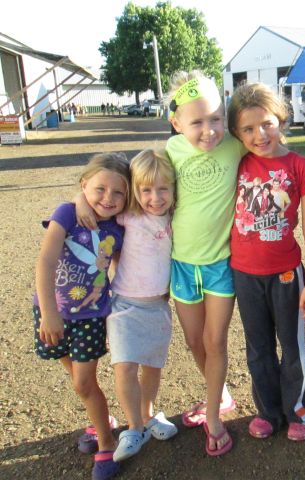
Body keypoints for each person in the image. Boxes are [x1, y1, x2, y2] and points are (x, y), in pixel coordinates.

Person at [227, 82, 305, 442]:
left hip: (286, 273)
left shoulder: (300, 167)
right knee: (258, 347)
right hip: (244, 273)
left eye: (266, 124)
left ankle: (300, 411)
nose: (259, 135)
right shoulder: (238, 163)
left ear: (280, 118)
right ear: (237, 133)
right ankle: (268, 412)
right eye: (248, 129)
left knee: (293, 346)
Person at [34, 152, 129, 480]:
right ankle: (101, 419)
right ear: (84, 184)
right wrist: (48, 313)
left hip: (91, 316)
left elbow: (119, 263)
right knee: (80, 383)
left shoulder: (119, 225)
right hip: (52, 314)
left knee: (83, 381)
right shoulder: (66, 214)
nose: (109, 198)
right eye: (100, 189)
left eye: (119, 193)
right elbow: (45, 262)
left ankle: (105, 442)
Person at [165, 71, 241, 455]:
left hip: (220, 265)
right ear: (177, 123)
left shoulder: (235, 145)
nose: (209, 130)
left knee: (215, 340)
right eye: (197, 122)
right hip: (181, 264)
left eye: (215, 118)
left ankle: (213, 416)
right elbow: (135, 186)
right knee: (195, 341)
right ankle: (220, 392)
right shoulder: (170, 152)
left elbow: (271, 148)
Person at [106, 150, 178, 461]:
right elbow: (98, 209)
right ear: (135, 190)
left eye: (163, 188)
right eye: (146, 190)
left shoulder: (175, 218)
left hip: (158, 306)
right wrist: (81, 203)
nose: (155, 197)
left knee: (152, 367)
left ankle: (148, 416)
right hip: (124, 305)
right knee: (124, 366)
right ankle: (133, 427)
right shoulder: (127, 216)